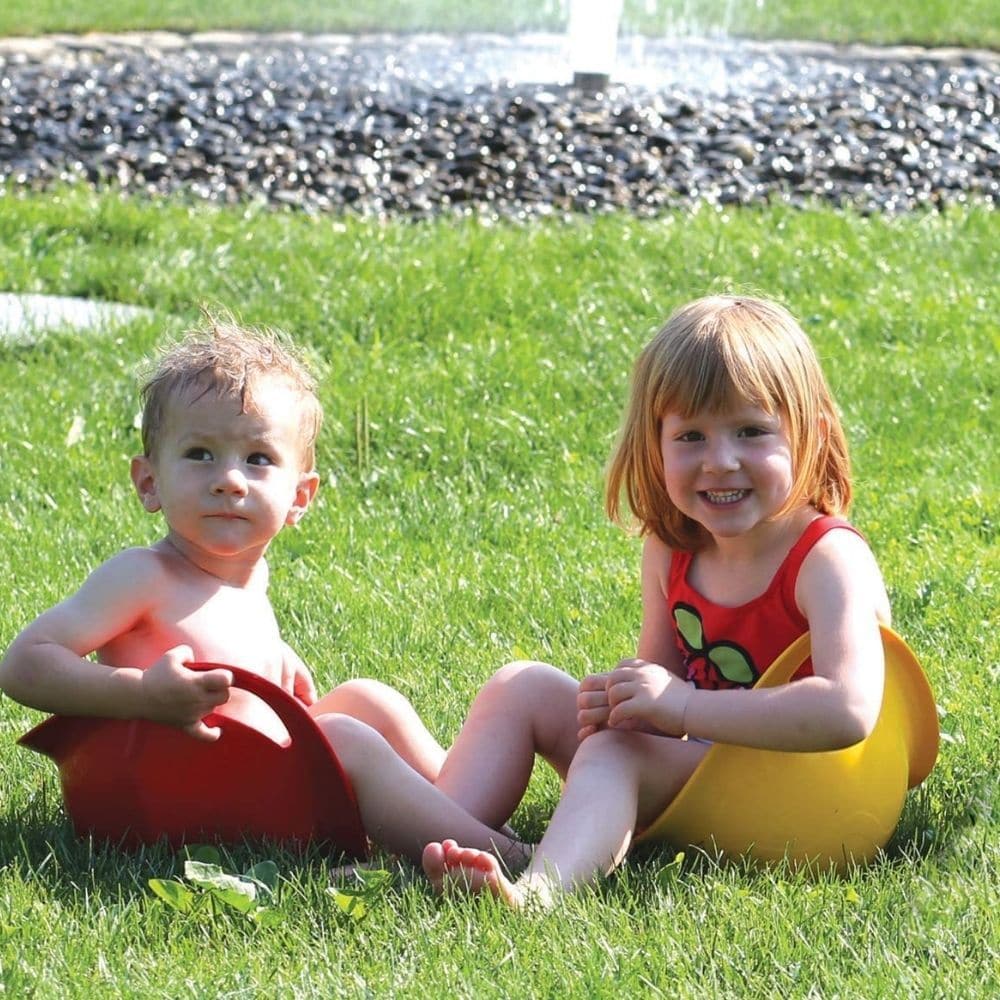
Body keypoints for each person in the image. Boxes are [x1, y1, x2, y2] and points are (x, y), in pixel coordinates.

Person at [0, 315, 528, 869]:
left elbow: (220, 644)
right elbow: (24, 664)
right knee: (344, 738)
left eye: (258, 459)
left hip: (246, 780)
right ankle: (510, 855)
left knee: (369, 698)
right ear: (148, 482)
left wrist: (276, 661)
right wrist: (142, 694)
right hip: (177, 794)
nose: (229, 479)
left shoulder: (247, 578)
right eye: (200, 453)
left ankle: (459, 813)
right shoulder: (142, 575)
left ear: (299, 497)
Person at [421, 293, 892, 907]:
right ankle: (435, 841)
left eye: (751, 431)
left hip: (811, 800)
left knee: (618, 753)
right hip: (703, 772)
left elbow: (848, 712)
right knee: (524, 687)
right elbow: (661, 692)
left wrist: (682, 709)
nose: (720, 462)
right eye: (691, 436)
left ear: (812, 434)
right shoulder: (674, 550)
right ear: (655, 444)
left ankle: (538, 895)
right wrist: (626, 703)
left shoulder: (827, 559)